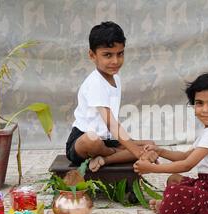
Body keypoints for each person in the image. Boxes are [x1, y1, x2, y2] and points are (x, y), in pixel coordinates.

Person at [133, 73, 208, 214]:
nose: (205, 109)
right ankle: (175, 202)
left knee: (174, 192)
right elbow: (185, 156)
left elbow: (187, 164)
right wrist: (160, 151)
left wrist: (152, 169)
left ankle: (168, 205)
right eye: (199, 103)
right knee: (174, 180)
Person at [66, 21, 158, 172]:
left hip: (108, 140)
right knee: (92, 140)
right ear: (92, 55)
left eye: (120, 54)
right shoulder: (95, 82)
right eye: (107, 55)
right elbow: (111, 124)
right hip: (82, 140)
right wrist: (138, 153)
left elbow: (111, 130)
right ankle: (116, 154)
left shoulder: (115, 77)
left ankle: (105, 159)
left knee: (151, 144)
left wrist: (138, 149)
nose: (115, 61)